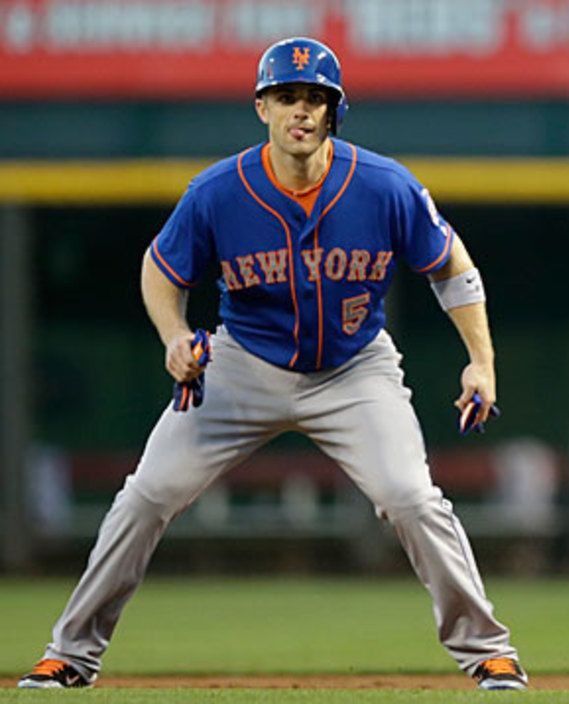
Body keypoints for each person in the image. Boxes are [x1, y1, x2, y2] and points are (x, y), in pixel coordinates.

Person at [18, 37, 527, 691]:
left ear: (334, 111)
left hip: (354, 369)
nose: (302, 110)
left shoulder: (383, 184)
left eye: (316, 98)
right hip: (242, 365)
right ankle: (71, 654)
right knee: (146, 497)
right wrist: (174, 335)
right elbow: (159, 269)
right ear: (262, 106)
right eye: (288, 96)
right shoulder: (219, 191)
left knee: (411, 498)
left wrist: (480, 361)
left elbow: (453, 269)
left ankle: (487, 650)